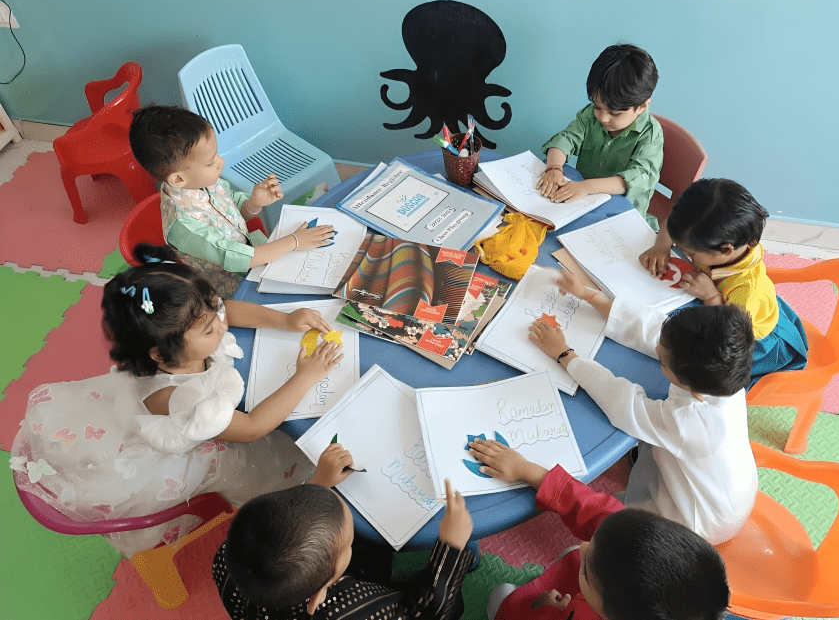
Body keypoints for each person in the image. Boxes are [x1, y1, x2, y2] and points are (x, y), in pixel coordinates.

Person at [9, 243, 343, 557]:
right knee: (279, 453)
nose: (220, 323)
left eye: (214, 311)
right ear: (163, 355)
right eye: (209, 329)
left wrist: (283, 320)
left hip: (185, 411)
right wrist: (306, 376)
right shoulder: (177, 398)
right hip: (176, 448)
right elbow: (254, 428)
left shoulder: (178, 333)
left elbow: (224, 313)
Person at [528, 270, 758, 545]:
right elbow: (654, 331)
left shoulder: (687, 421)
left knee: (610, 522)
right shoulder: (724, 372)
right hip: (730, 492)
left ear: (691, 386)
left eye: (662, 360)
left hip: (698, 524)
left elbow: (624, 405)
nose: (657, 349)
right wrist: (589, 295)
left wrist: (565, 355)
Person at [470, 439, 730, 620]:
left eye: (587, 571)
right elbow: (593, 508)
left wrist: (544, 609)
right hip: (576, 600)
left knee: (501, 594)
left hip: (558, 608)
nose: (584, 545)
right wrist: (528, 471)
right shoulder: (633, 537)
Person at [213, 443, 476, 620]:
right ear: (319, 596)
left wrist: (318, 484)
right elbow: (426, 611)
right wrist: (450, 549)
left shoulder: (229, 557)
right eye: (347, 544)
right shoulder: (355, 610)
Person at [129, 105, 334, 297]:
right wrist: (295, 241)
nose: (222, 162)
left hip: (255, 251)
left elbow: (232, 208)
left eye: (216, 154)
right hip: (234, 288)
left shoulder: (201, 180)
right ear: (178, 179)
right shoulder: (184, 226)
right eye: (210, 162)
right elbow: (242, 258)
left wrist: (254, 203)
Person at [639, 178, 808, 383]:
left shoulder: (746, 293)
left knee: (696, 369)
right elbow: (672, 223)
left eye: (691, 252)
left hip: (746, 339)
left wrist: (711, 296)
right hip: (741, 308)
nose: (685, 253)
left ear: (725, 250)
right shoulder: (713, 234)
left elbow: (726, 335)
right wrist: (662, 245)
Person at [536, 43, 663, 230]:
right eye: (598, 107)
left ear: (642, 106)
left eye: (614, 113)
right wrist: (554, 168)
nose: (603, 117)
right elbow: (566, 139)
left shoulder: (650, 136)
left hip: (622, 221)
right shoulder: (590, 116)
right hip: (581, 206)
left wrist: (586, 187)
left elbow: (634, 178)